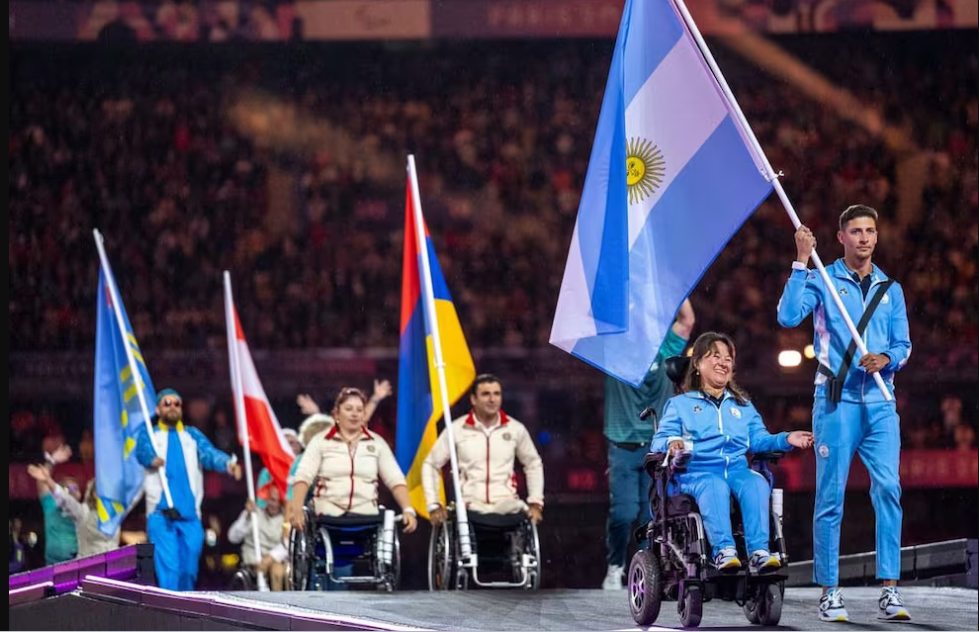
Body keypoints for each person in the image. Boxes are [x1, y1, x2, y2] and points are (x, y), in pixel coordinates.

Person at [777, 205, 912, 622]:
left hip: (880, 403)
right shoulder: (822, 278)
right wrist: (801, 261)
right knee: (830, 496)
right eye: (856, 231)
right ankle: (830, 592)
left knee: (889, 489)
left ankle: (890, 591)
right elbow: (787, 316)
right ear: (841, 237)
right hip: (835, 402)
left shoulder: (891, 288)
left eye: (871, 230)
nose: (865, 238)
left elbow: (904, 346)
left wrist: (886, 358)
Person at [650, 332, 814, 575]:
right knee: (714, 485)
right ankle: (724, 550)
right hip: (697, 473)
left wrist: (787, 438)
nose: (723, 363)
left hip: (736, 470)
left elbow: (759, 440)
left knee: (756, 483)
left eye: (728, 359)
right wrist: (673, 442)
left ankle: (759, 552)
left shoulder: (743, 406)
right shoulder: (680, 405)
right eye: (715, 356)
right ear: (697, 364)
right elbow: (659, 440)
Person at [602, 299, 695, 589]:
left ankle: (643, 573)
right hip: (622, 444)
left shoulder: (665, 347)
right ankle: (615, 565)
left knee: (649, 516)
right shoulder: (612, 350)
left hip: (655, 446)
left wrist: (667, 280)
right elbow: (601, 315)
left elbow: (687, 318)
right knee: (623, 513)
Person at [135, 388, 243, 591]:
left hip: (190, 516)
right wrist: (152, 458)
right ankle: (170, 613)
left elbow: (210, 454)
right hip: (161, 516)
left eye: (177, 404)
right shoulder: (151, 435)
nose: (173, 407)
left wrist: (228, 464)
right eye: (167, 404)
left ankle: (184, 611)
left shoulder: (191, 436)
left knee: (189, 570)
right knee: (170, 570)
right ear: (158, 410)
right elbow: (141, 451)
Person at [289, 386, 418, 532]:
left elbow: (395, 479)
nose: (354, 414)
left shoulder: (377, 443)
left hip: (367, 515)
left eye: (359, 410)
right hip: (326, 515)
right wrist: (297, 508)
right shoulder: (320, 441)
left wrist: (408, 509)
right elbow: (303, 476)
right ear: (337, 413)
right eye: (349, 409)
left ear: (364, 415)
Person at [422, 374, 545, 525]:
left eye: (497, 394)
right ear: (473, 399)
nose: (492, 399)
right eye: (486, 394)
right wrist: (434, 504)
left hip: (507, 505)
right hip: (469, 506)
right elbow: (431, 464)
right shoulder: (457, 429)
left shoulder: (515, 429)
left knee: (520, 513)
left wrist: (535, 502)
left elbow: (533, 463)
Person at [27, 467, 123, 558]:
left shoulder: (116, 514)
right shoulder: (82, 511)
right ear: (94, 494)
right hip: (86, 568)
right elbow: (65, 498)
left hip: (113, 566)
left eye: (75, 488)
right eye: (68, 488)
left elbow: (133, 496)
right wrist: (48, 480)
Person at [228, 489, 288, 591]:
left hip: (274, 562)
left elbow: (287, 544)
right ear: (267, 499)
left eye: (278, 501)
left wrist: (270, 558)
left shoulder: (285, 520)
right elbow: (232, 537)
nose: (275, 504)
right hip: (252, 562)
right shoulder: (253, 513)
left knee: (278, 570)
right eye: (272, 500)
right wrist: (247, 515)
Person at [32, 443, 78, 565]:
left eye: (75, 487)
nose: (71, 489)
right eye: (67, 487)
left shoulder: (83, 510)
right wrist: (51, 460)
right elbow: (42, 480)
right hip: (52, 567)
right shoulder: (51, 505)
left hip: (77, 565)